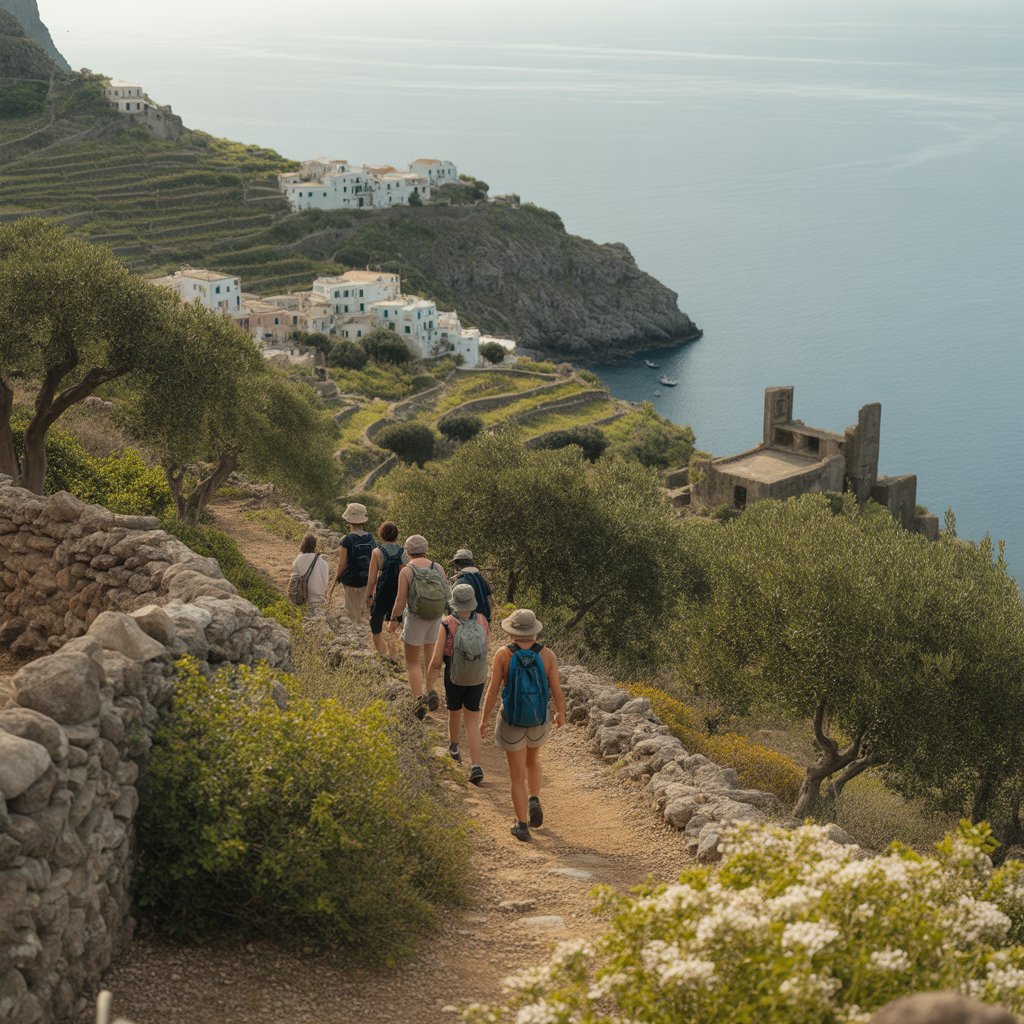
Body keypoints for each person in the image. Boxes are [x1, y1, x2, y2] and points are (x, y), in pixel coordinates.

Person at [480, 608, 565, 842]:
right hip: (538, 720)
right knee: (533, 761)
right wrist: (560, 713)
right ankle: (534, 798)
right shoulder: (547, 655)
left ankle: (521, 825)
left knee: (517, 776)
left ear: (512, 632)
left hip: (512, 721)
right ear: (534, 632)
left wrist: (484, 719)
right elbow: (556, 690)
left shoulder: (503, 654)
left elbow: (493, 690)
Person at [427, 583, 489, 785]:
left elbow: (437, 660)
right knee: (472, 720)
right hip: (477, 677)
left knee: (454, 712)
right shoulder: (482, 620)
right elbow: (485, 648)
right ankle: (476, 765)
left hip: (455, 676)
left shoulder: (446, 624)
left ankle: (453, 749)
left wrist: (429, 685)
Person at [388, 534, 449, 718]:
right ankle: (431, 692)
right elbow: (446, 594)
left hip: (415, 618)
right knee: (431, 658)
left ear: (407, 551)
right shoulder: (437, 567)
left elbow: (400, 600)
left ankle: (418, 701)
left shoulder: (407, 571)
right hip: (435, 618)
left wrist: (393, 620)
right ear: (426, 548)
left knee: (413, 662)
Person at [364, 521, 406, 663]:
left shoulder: (377, 552)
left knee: (375, 625)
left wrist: (369, 596)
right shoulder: (403, 552)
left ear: (381, 534)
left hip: (381, 594)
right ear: (396, 535)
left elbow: (371, 580)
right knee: (392, 626)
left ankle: (382, 654)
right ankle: (393, 656)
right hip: (398, 594)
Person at [328, 502, 375, 625]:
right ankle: (368, 638)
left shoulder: (347, 540)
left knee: (352, 614)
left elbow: (342, 564)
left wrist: (336, 580)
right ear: (363, 521)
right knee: (366, 614)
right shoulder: (370, 538)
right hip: (367, 581)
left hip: (351, 581)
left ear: (348, 521)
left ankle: (355, 636)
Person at [290, 533, 330, 615]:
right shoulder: (324, 562)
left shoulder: (298, 560)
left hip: (304, 598)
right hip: (320, 599)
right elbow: (326, 582)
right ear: (314, 546)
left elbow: (294, 580)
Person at [450, 548, 493, 622]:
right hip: (485, 619)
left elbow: (454, 604)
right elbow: (489, 592)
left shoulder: (461, 580)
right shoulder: (479, 577)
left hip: (471, 620)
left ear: (457, 563)